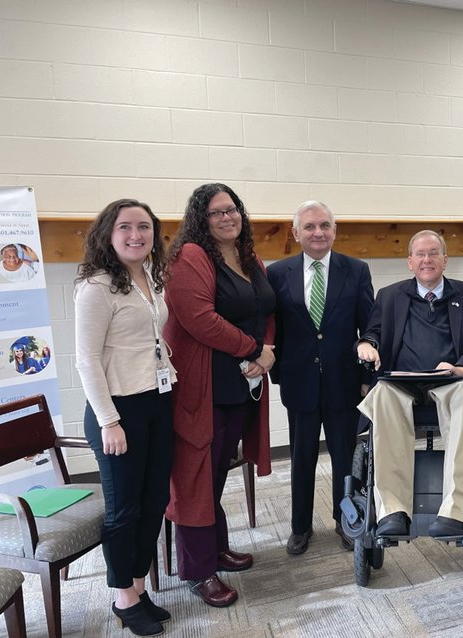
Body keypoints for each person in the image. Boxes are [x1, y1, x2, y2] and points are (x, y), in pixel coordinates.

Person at [164, 183, 275, 607]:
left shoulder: (249, 258)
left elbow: (265, 310)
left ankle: (215, 548)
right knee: (195, 478)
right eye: (216, 212)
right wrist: (253, 349)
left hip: (241, 384)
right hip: (203, 385)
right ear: (200, 219)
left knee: (215, 474)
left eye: (233, 209)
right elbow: (200, 320)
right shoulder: (190, 256)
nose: (227, 217)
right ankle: (197, 570)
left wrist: (267, 354)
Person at [74, 198, 175, 636]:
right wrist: (108, 421)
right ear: (108, 235)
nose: (137, 235)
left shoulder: (149, 278)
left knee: (154, 501)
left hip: (155, 401)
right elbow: (86, 360)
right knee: (124, 510)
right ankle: (122, 597)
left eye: (145, 227)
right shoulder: (96, 287)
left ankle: (138, 584)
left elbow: (149, 339)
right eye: (126, 227)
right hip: (117, 411)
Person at [357, 230, 463, 538]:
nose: (427, 259)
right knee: (381, 395)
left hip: (451, 382)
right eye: (420, 254)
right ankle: (392, 511)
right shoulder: (389, 296)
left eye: (433, 253)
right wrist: (366, 343)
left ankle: (457, 513)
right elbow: (373, 332)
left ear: (445, 260)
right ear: (409, 262)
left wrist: (460, 368)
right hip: (403, 383)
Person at [267, 200, 373, 554]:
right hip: (300, 383)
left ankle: (348, 521)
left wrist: (365, 376)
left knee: (346, 459)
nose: (318, 233)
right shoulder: (278, 273)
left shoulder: (356, 270)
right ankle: (300, 527)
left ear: (334, 231)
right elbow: (274, 330)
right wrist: (280, 373)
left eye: (325, 226)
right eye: (310, 227)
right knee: (301, 459)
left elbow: (369, 326)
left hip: (343, 382)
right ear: (296, 233)